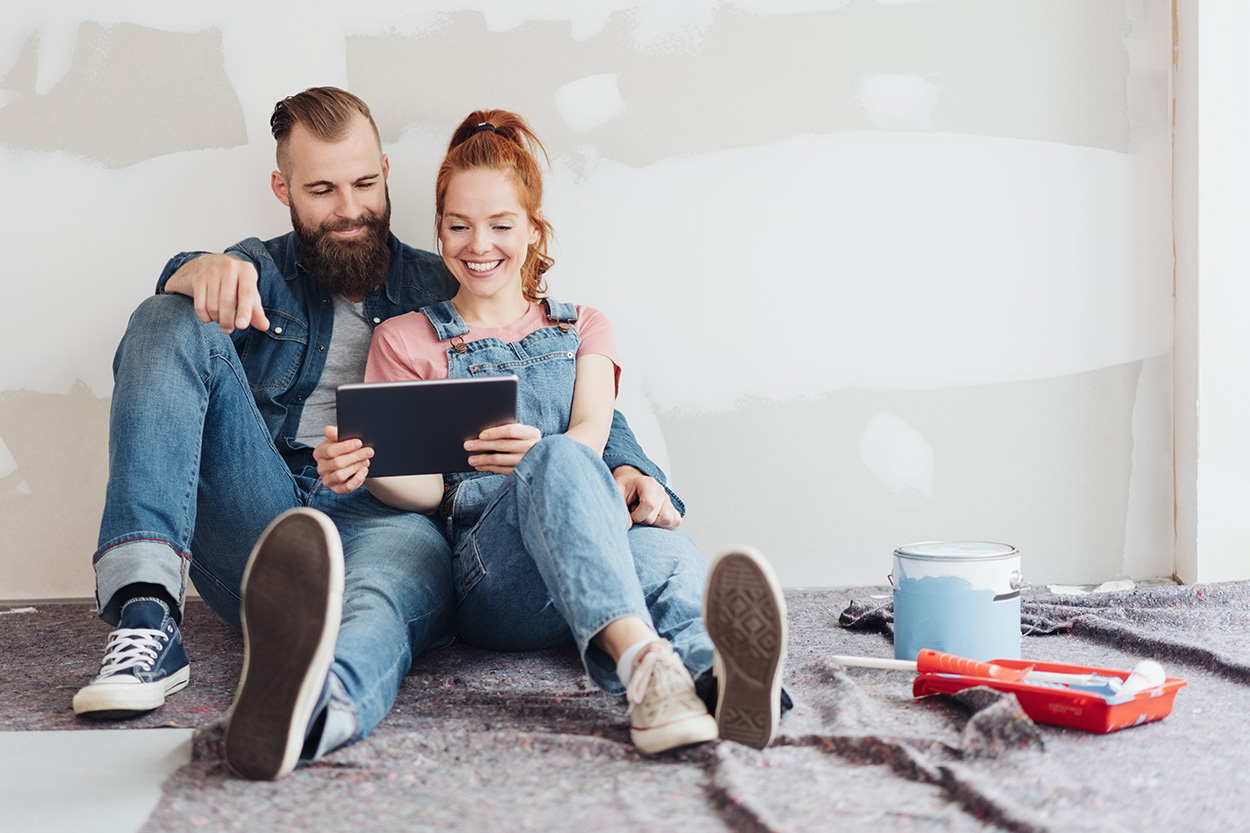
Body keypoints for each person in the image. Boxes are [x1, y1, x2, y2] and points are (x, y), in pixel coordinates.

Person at [73, 87, 685, 780]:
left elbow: (558, 369)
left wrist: (635, 468)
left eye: (365, 183)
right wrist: (192, 268)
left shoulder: (448, 278)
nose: (349, 208)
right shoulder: (260, 273)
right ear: (283, 188)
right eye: (322, 189)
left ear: (387, 172)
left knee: (379, 603)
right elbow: (189, 297)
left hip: (391, 515)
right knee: (166, 315)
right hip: (265, 519)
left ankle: (314, 708)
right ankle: (146, 618)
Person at [314, 109, 790, 755]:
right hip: (492, 572)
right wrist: (368, 463)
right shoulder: (405, 339)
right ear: (440, 230)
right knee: (558, 456)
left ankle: (718, 678)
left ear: (534, 231)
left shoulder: (583, 326)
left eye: (501, 225)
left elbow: (593, 429)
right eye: (458, 226)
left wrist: (553, 458)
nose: (479, 244)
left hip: (588, 543)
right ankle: (644, 671)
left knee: (669, 553)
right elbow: (426, 493)